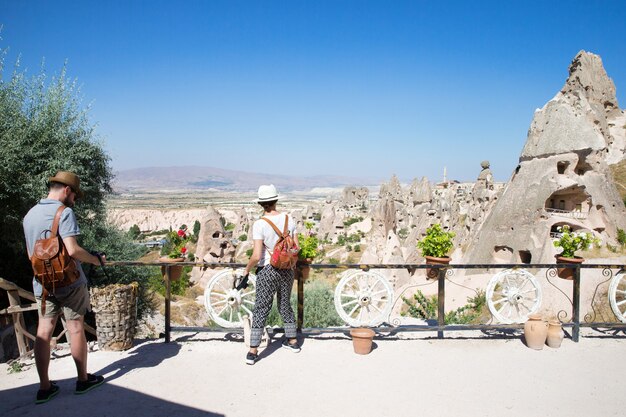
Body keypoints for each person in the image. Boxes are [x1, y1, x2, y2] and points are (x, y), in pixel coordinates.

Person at [23, 171, 106, 404]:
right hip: (69, 282)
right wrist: (95, 259)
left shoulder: (29, 215)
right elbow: (72, 250)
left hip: (43, 284)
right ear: (67, 190)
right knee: (76, 328)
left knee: (43, 331)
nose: (75, 201)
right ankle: (82, 380)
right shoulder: (64, 212)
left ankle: (44, 387)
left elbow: (31, 253)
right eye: (75, 196)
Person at [243, 184, 300, 365]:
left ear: (261, 204)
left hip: (267, 269)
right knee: (285, 304)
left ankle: (253, 351)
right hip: (287, 269)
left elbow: (256, 255)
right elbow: (296, 247)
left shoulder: (260, 224)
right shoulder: (288, 220)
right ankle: (293, 341)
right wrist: (291, 265)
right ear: (276, 201)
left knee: (261, 307)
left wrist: (247, 269)